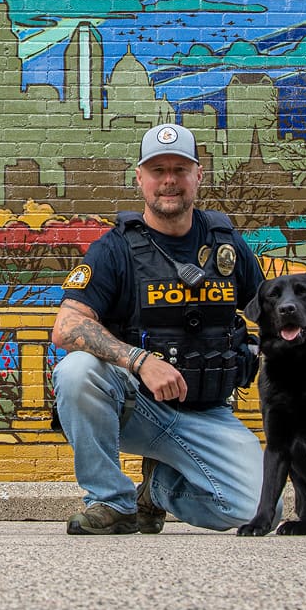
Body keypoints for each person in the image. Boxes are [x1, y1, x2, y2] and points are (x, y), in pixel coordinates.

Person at [51, 122, 266, 535]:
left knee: (251, 508)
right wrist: (140, 360)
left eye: (180, 170)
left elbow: (270, 313)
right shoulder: (113, 248)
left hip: (207, 411)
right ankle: (112, 503)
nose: (169, 181)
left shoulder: (226, 243)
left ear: (198, 176)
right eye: (158, 170)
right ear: (140, 178)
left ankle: (156, 490)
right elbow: (67, 326)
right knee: (75, 371)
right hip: (137, 407)